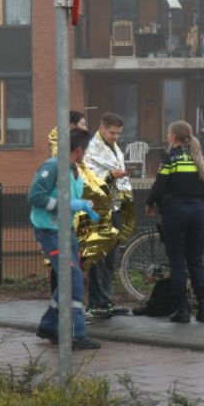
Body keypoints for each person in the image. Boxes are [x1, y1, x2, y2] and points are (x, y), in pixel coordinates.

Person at [26, 128, 101, 349]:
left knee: (71, 278)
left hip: (65, 231)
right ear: (78, 151)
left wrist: (84, 204)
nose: (86, 154)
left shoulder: (73, 169)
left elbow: (69, 197)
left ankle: (49, 326)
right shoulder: (53, 167)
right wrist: (66, 205)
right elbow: (34, 196)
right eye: (85, 151)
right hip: (50, 232)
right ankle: (76, 334)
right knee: (73, 279)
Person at [145, 119, 204, 323]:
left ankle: (182, 311)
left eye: (168, 134)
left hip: (175, 213)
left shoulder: (170, 157)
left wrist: (150, 203)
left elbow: (160, 185)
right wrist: (197, 193)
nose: (167, 137)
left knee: (177, 262)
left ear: (174, 137)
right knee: (196, 261)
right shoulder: (202, 156)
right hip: (197, 211)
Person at [83, 111, 132, 316]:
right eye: (112, 133)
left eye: (119, 133)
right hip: (98, 209)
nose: (116, 137)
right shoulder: (90, 149)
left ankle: (106, 299)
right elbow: (88, 178)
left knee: (111, 257)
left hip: (115, 206)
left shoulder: (113, 147)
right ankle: (95, 302)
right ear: (102, 129)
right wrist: (111, 175)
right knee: (98, 257)